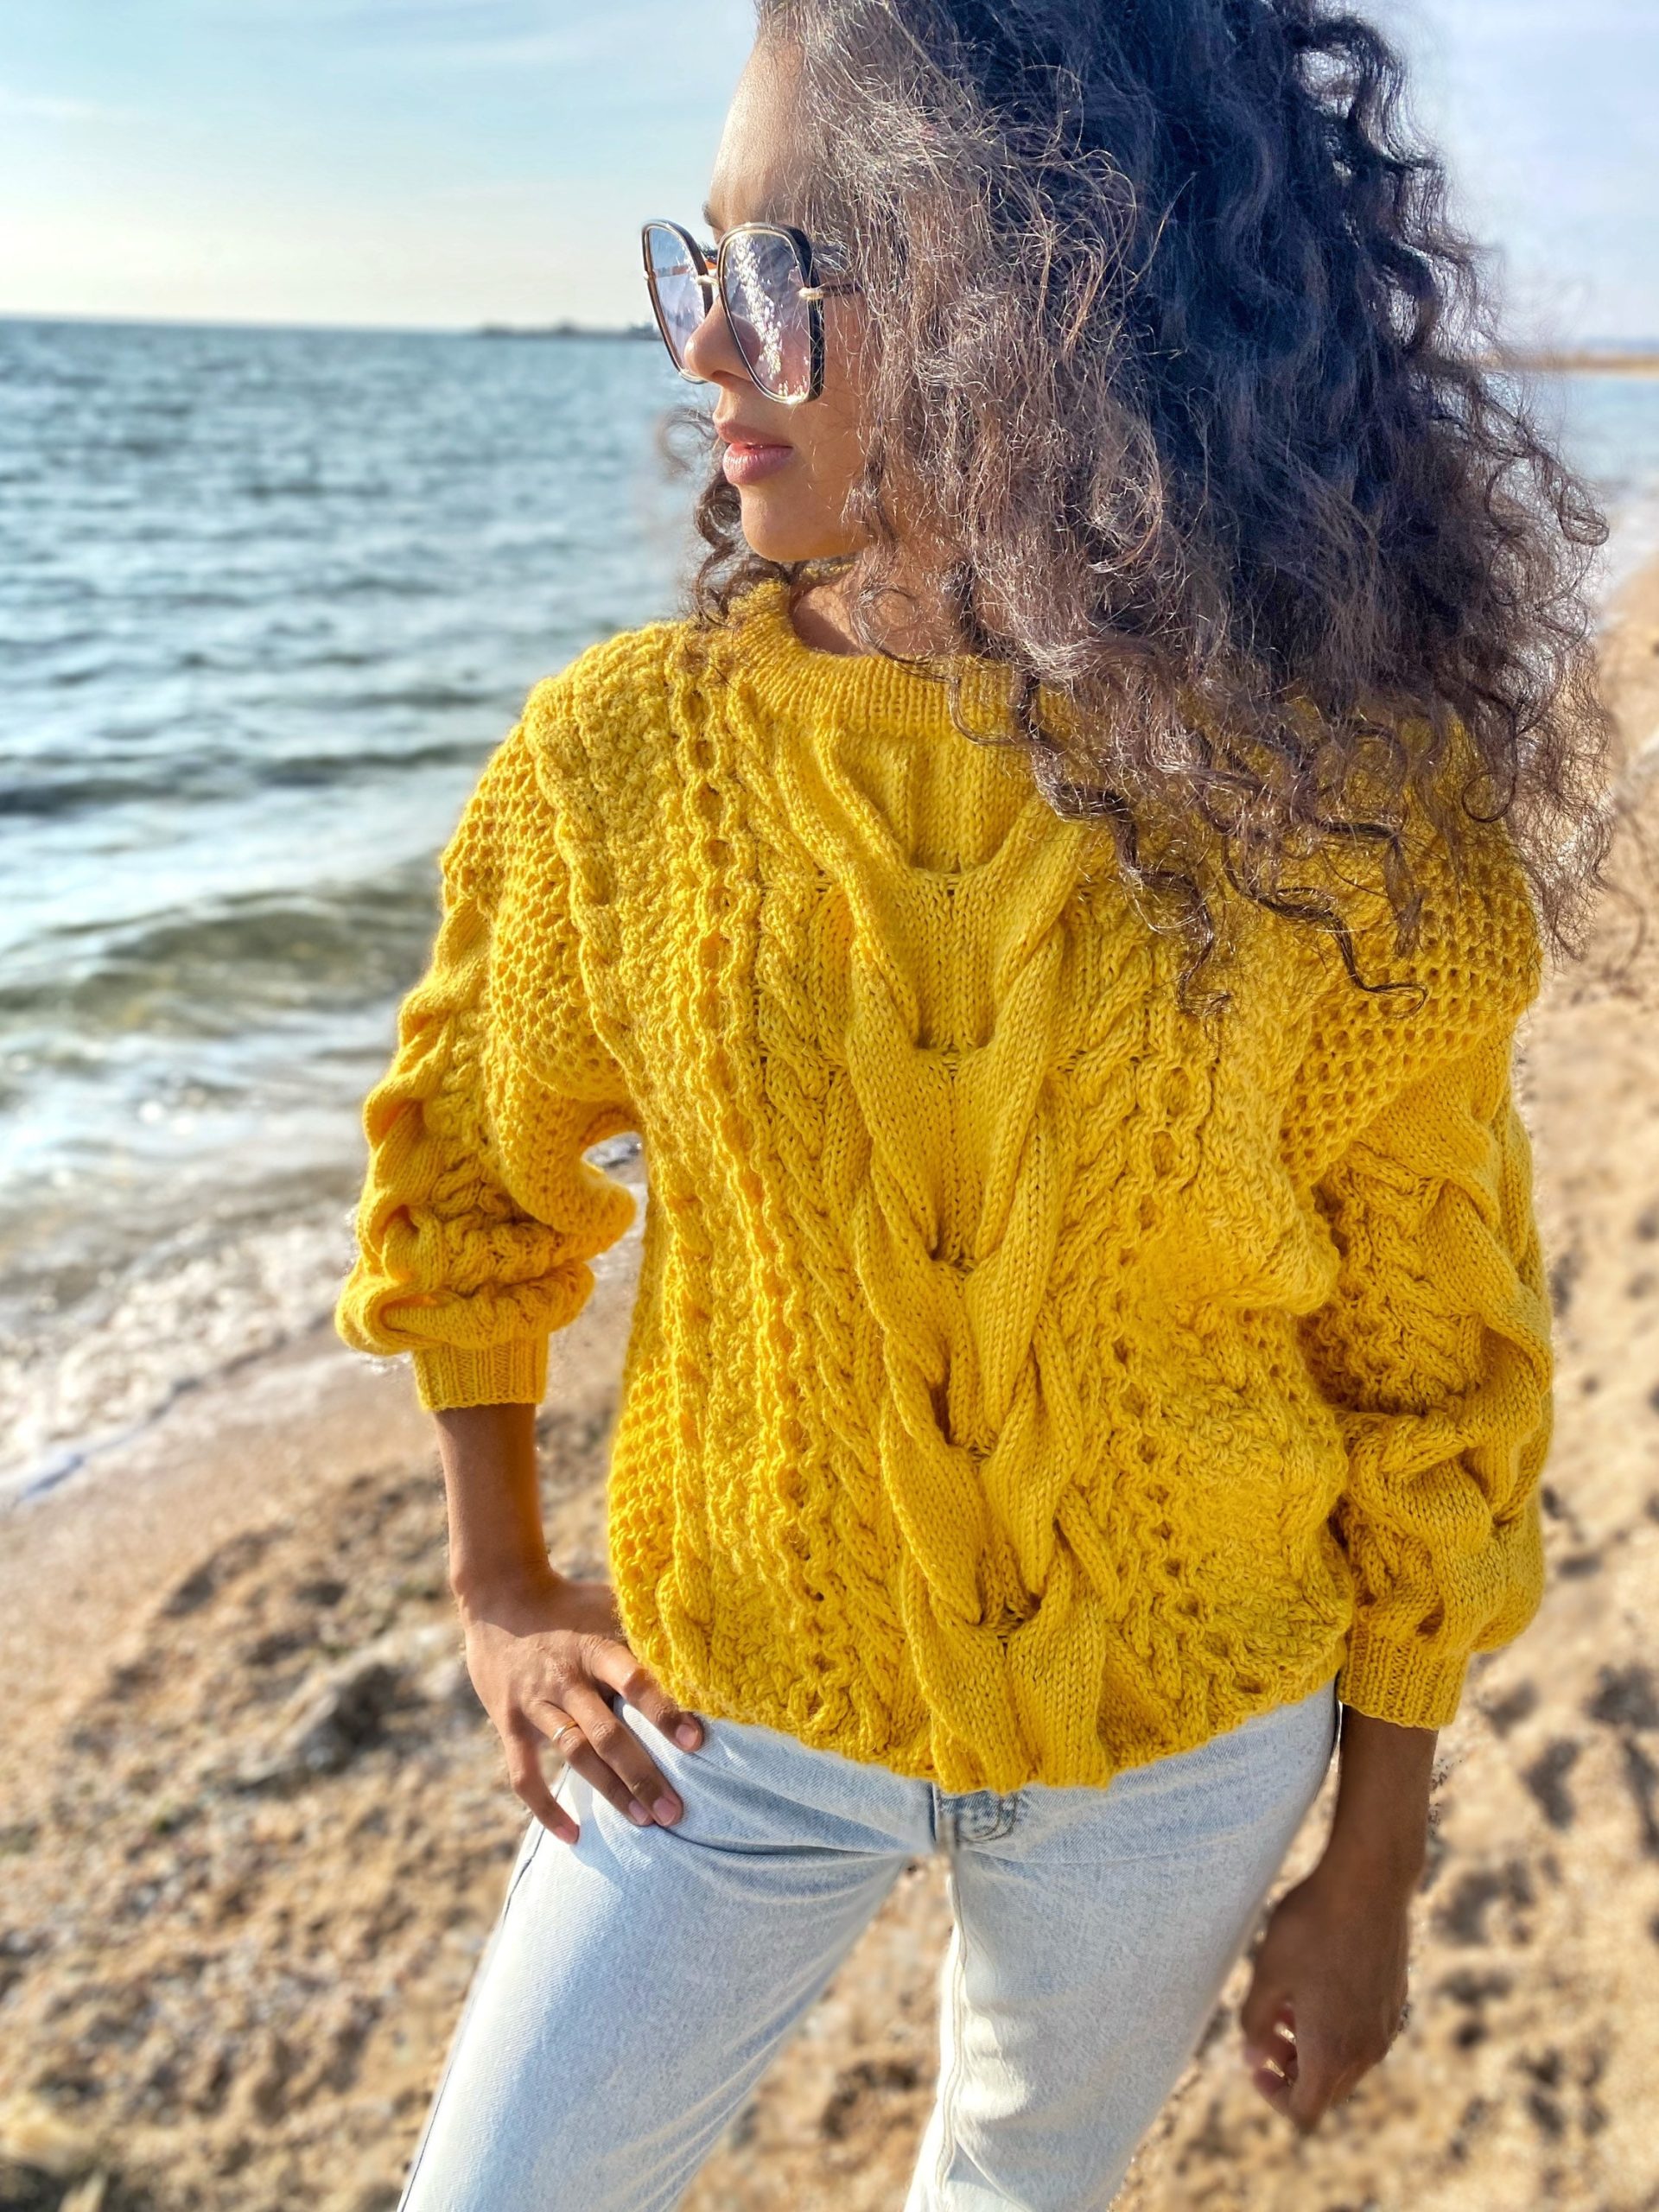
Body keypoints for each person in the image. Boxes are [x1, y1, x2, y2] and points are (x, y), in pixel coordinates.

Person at [334, 3, 1611, 2205]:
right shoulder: (621, 765)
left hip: (1187, 1743)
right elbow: (464, 1173)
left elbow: (1435, 1367)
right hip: (724, 1726)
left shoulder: (1344, 803)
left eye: (785, 270)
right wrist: (501, 1580)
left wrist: (1375, 1857)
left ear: (1040, 289)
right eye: (701, 263)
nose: (707, 345)